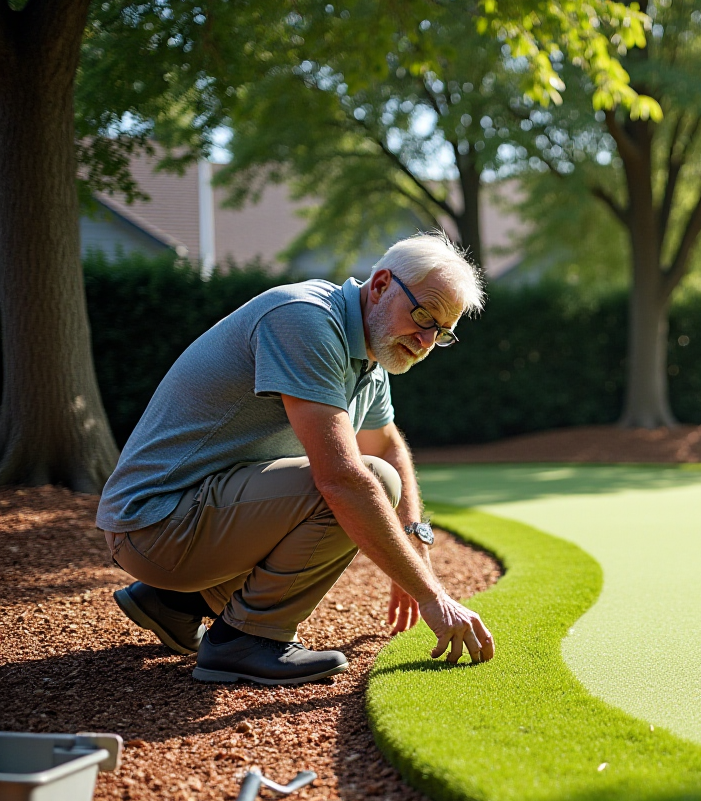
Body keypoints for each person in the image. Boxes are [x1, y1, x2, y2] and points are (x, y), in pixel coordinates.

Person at [96, 232, 495, 685]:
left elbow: (385, 443)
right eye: (423, 314)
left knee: (378, 473)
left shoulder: (370, 354)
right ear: (381, 284)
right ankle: (246, 639)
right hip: (154, 524)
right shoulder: (306, 319)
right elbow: (342, 479)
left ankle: (174, 604)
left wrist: (414, 537)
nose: (425, 340)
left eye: (441, 331)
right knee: (367, 482)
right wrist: (432, 596)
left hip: (181, 525)